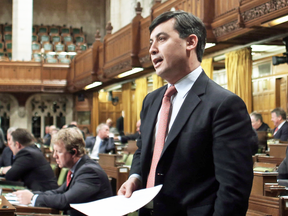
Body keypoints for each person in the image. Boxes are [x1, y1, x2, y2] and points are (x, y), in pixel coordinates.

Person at [118, 11, 255, 216]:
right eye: (150, 42)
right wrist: (135, 176)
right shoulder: (151, 100)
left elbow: (233, 191)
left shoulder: (224, 104)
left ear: (191, 42)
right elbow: (143, 148)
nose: (152, 49)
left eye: (162, 39)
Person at [13, 127, 113, 216]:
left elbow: (66, 200)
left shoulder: (89, 171)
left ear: (74, 152)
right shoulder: (79, 168)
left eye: (59, 151)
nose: (54, 156)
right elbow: (59, 192)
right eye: (54, 151)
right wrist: (32, 194)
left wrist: (33, 199)